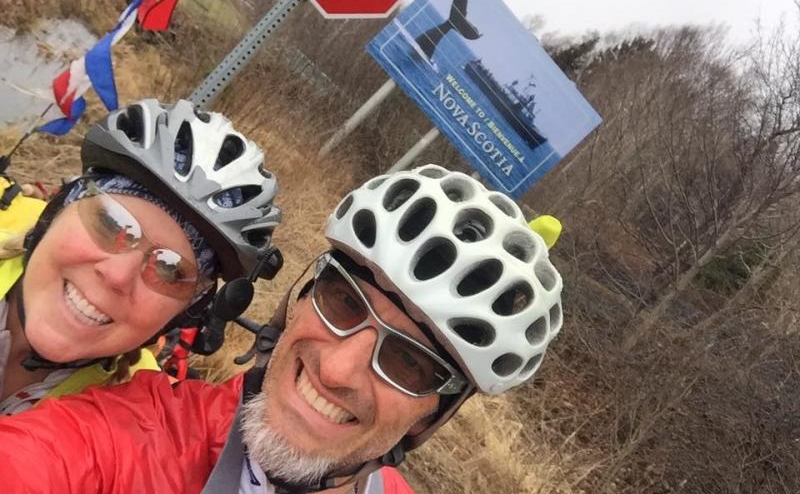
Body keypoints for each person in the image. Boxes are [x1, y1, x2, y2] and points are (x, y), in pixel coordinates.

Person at [0, 165, 563, 493]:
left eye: (410, 362)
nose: (338, 369)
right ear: (295, 300)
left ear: (432, 418)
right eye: (344, 302)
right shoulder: (133, 434)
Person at [0, 98, 281, 414]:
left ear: (186, 312)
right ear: (59, 209)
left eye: (169, 269)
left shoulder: (138, 416)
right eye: (110, 223)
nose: (117, 275)